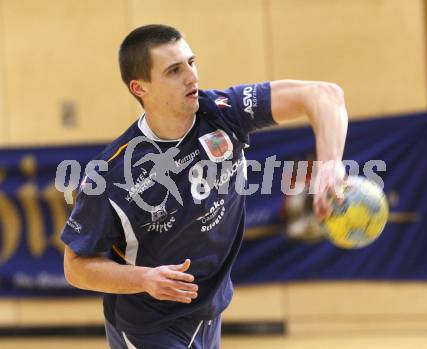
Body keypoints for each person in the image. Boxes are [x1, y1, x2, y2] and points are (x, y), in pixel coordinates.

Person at [61, 24, 348, 349]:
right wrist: (144, 279)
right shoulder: (112, 174)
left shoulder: (223, 111)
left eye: (191, 63)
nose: (192, 77)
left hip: (208, 310)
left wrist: (330, 164)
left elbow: (324, 95)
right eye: (174, 71)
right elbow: (76, 267)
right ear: (140, 88)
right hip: (148, 325)